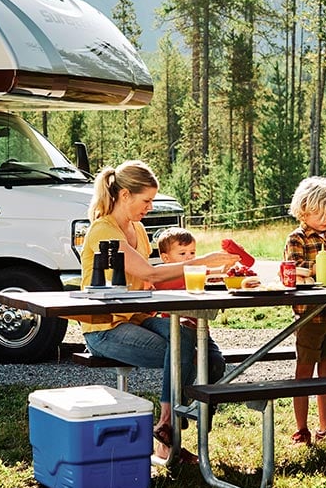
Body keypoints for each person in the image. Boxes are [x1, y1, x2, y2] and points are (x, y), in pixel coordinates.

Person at [80, 160, 236, 463]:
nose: (150, 207)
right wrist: (202, 261)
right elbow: (150, 273)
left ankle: (168, 428)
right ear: (124, 195)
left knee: (212, 358)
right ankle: (168, 426)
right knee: (183, 351)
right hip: (105, 327)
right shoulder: (103, 231)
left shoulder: (137, 228)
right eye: (146, 200)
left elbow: (155, 274)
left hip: (140, 316)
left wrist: (209, 274)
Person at [284, 176, 326, 446]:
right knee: (304, 371)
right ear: (304, 210)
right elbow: (293, 269)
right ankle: (301, 428)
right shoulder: (297, 238)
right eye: (320, 212)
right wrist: (324, 267)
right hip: (310, 316)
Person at [155, 226, 226, 386]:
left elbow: (218, 272)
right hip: (177, 333)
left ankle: (205, 407)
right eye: (182, 254)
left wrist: (225, 268)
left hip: (201, 333)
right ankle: (182, 402)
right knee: (185, 363)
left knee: (216, 364)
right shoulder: (161, 278)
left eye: (192, 253)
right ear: (166, 258)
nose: (189, 258)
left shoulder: (198, 272)